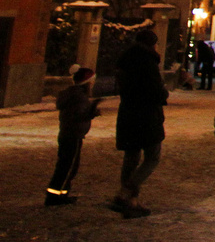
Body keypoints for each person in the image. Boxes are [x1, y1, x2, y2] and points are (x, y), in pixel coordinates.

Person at [112, 29, 168, 218]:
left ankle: (129, 200)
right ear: (152, 44)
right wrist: (163, 92)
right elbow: (155, 91)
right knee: (152, 156)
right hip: (147, 115)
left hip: (128, 113)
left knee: (131, 156)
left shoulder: (125, 60)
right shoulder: (148, 62)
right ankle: (127, 193)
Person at [44, 67, 100, 205]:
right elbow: (78, 116)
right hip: (73, 135)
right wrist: (92, 111)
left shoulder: (71, 94)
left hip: (67, 133)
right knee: (68, 167)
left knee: (65, 165)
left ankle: (61, 193)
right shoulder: (79, 97)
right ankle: (54, 196)